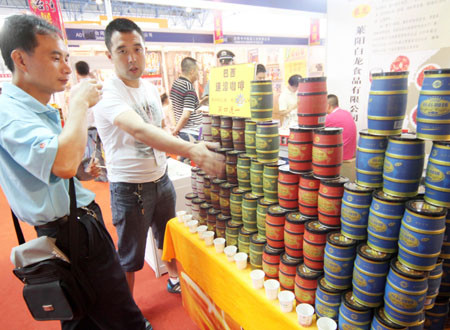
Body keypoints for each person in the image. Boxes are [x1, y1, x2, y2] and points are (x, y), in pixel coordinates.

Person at [0, 14, 151, 330]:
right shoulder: (11, 115)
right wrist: (80, 104)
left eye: (66, 58)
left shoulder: (35, 108)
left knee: (82, 314)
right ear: (20, 59)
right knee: (122, 315)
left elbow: (60, 169)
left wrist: (80, 173)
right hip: (71, 232)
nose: (67, 68)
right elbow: (62, 163)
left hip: (73, 223)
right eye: (55, 57)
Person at [93, 18, 225, 297]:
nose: (132, 58)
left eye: (138, 49)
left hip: (161, 178)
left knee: (167, 234)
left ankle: (174, 277)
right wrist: (190, 150)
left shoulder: (151, 88)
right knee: (130, 255)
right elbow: (139, 130)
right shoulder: (109, 94)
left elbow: (159, 128)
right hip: (130, 187)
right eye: (122, 51)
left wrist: (178, 150)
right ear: (109, 56)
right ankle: (127, 312)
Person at [73, 61, 108, 182]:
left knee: (94, 152)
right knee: (108, 148)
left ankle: (102, 176)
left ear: (77, 72)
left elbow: (74, 112)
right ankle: (112, 172)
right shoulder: (98, 85)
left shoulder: (76, 89)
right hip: (103, 123)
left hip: (88, 125)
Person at [325, 94, 357, 181]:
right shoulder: (346, 113)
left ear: (328, 106)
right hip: (351, 152)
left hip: (342, 155)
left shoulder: (330, 118)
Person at [170, 57, 202, 141]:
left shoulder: (175, 84)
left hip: (182, 132)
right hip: (192, 133)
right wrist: (175, 130)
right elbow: (185, 115)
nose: (198, 75)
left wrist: (175, 128)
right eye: (197, 71)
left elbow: (171, 108)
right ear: (192, 71)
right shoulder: (188, 87)